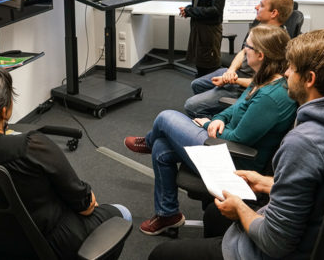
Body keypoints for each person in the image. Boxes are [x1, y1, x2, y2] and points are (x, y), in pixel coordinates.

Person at [148, 29, 324, 260]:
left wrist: (240, 209)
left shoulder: (303, 142)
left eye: (291, 68)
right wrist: (269, 183)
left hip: (269, 251)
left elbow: (275, 244)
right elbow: (320, 193)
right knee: (213, 214)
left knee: (161, 255)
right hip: (313, 236)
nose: (285, 72)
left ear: (309, 79)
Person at [0, 67, 131, 259]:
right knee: (122, 213)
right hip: (50, 245)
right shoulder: (30, 147)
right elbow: (85, 204)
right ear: (4, 112)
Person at [124, 25, 297, 237]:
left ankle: (148, 142)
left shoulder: (271, 97)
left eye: (247, 46)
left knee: (165, 117)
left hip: (234, 159)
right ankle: (168, 214)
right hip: (222, 143)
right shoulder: (263, 79)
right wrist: (218, 119)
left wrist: (207, 124)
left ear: (260, 55)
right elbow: (234, 108)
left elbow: (238, 138)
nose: (243, 50)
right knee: (162, 147)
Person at [184, 0, 294, 118]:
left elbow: (267, 84)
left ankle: (220, 122)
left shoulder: (276, 42)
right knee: (197, 84)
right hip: (236, 75)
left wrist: (235, 81)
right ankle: (220, 111)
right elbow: (244, 50)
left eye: (262, 5)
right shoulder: (260, 26)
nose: (256, 7)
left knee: (190, 105)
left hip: (246, 86)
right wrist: (231, 70)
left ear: (274, 13)